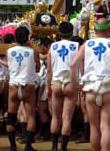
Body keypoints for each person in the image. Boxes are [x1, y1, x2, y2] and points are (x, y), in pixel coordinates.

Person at [70, 18, 110, 151]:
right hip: (109, 87)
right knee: (106, 127)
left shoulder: (87, 44)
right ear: (109, 30)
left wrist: (77, 85)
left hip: (91, 87)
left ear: (95, 30)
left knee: (94, 127)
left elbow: (73, 64)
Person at [3, 25, 39, 151]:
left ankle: (12, 146)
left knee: (11, 117)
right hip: (28, 85)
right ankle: (28, 146)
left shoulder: (9, 51)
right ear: (28, 37)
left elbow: (9, 65)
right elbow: (38, 68)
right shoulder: (33, 51)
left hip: (14, 84)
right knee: (31, 117)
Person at [47, 22, 79, 151]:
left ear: (59, 33)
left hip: (56, 82)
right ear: (72, 33)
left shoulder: (52, 47)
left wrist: (49, 87)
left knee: (55, 116)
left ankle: (54, 147)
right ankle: (63, 148)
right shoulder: (77, 46)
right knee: (67, 118)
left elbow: (49, 71)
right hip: (71, 82)